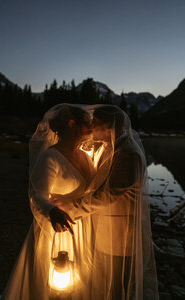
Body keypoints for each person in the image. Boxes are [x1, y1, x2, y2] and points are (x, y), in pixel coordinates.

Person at [52, 105, 159, 300]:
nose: (90, 126)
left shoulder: (128, 154)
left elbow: (108, 195)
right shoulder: (111, 148)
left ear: (109, 127)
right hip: (107, 233)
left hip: (120, 237)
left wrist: (70, 208)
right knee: (106, 285)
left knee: (118, 287)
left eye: (95, 123)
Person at [1, 104, 97, 300]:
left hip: (83, 227)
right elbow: (36, 195)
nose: (91, 128)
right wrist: (52, 210)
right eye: (87, 124)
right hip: (57, 230)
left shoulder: (87, 156)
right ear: (71, 124)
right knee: (51, 285)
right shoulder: (49, 158)